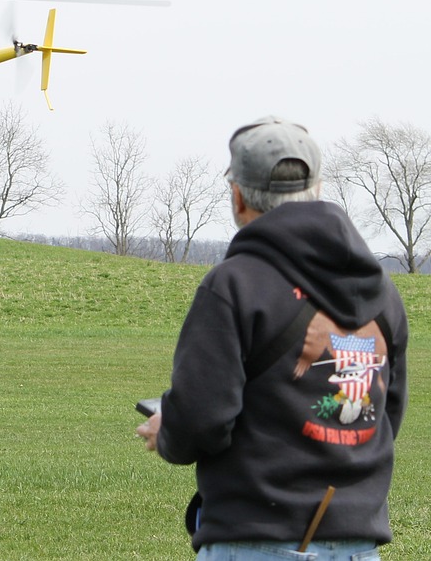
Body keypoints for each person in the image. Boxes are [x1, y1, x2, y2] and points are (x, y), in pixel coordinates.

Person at [136, 116, 408, 560]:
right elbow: (383, 418)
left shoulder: (234, 284)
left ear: (238, 196)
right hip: (359, 544)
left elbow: (202, 419)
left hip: (256, 541)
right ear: (317, 190)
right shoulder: (382, 293)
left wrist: (169, 430)